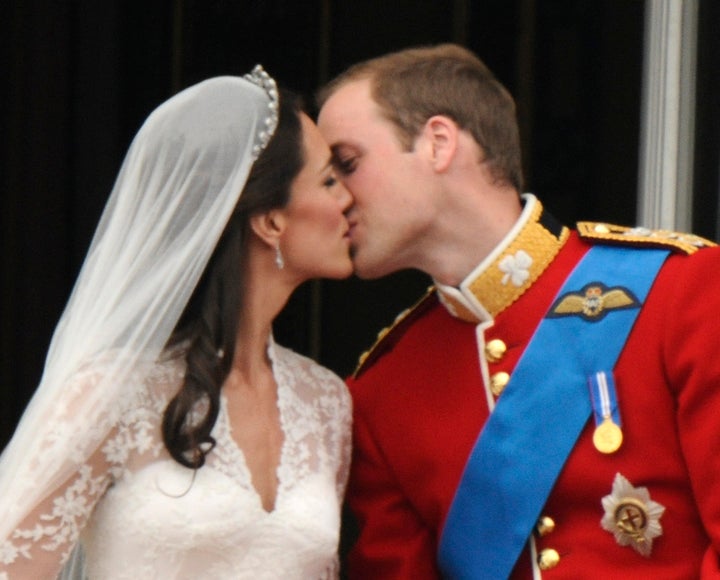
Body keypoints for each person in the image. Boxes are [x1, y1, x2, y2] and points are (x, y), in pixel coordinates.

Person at [316, 43, 720, 579]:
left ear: (438, 142)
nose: (334, 198)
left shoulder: (682, 289)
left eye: (347, 164)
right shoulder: (379, 391)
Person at [0, 65, 354, 579]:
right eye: (327, 180)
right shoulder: (110, 392)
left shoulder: (326, 404)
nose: (347, 198)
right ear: (271, 220)